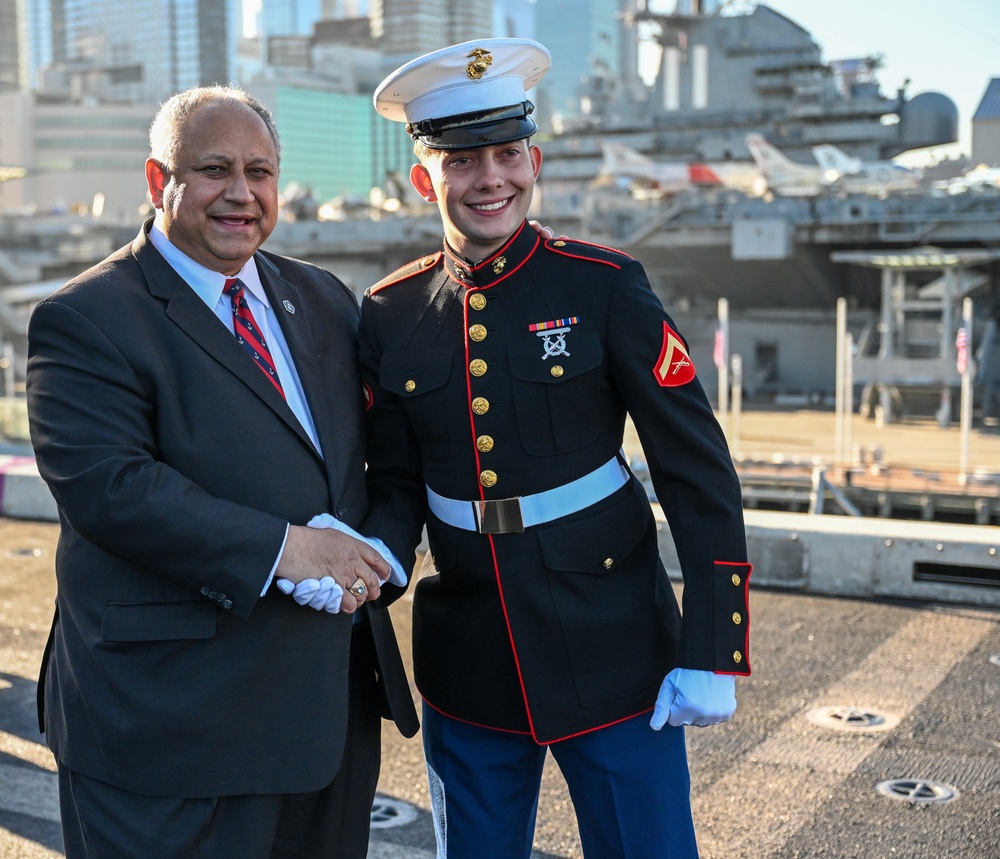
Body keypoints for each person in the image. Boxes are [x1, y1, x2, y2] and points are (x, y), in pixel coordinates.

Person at [359, 39, 752, 858]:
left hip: (615, 648)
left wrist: (716, 648)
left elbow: (695, 467)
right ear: (423, 178)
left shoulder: (603, 285)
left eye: (507, 154)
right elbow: (395, 482)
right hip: (469, 662)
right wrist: (374, 560)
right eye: (462, 159)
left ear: (534, 160)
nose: (490, 178)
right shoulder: (390, 312)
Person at [26, 84, 418, 859]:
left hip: (323, 721)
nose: (241, 193)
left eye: (260, 171)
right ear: (156, 181)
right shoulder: (86, 318)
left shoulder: (323, 297)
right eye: (213, 169)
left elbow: (390, 458)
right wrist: (291, 549)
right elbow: (113, 489)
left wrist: (378, 556)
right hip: (170, 731)